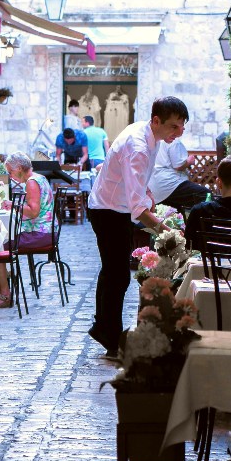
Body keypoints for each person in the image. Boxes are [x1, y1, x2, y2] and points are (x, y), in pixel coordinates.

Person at [87, 96, 189, 357]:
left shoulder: (149, 134)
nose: (179, 132)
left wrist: (147, 193)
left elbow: (136, 181)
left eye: (182, 126)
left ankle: (105, 331)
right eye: (174, 127)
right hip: (107, 210)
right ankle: (109, 338)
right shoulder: (139, 146)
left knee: (114, 273)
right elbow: (138, 210)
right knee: (117, 274)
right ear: (157, 121)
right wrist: (168, 233)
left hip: (113, 206)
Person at [0, 152, 54, 308]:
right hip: (45, 232)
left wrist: (14, 205)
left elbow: (34, 211)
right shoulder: (39, 178)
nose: (10, 176)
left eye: (11, 172)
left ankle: (4, 294)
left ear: (20, 168)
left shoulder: (31, 182)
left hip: (41, 233)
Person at [148, 139, 210, 211]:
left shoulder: (155, 140)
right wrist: (189, 161)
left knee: (176, 211)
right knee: (206, 194)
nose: (183, 129)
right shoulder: (173, 141)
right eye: (182, 127)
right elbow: (179, 165)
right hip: (171, 183)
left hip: (155, 187)